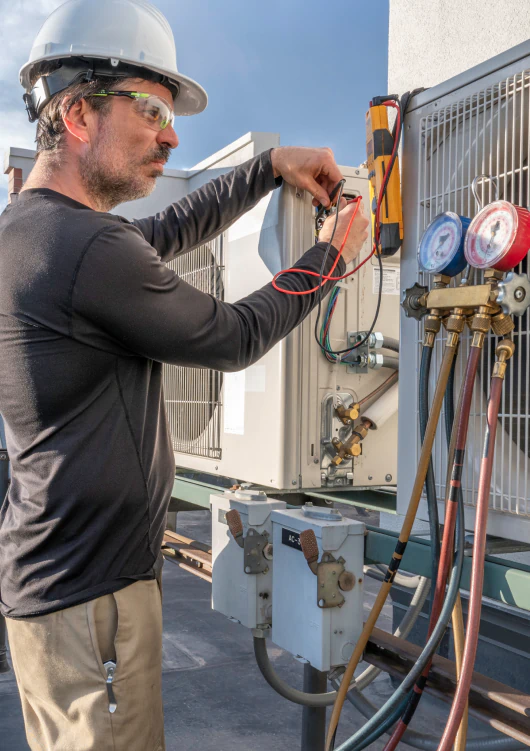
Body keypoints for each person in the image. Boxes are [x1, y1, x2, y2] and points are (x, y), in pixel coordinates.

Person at [0, 1, 369, 749]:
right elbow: (232, 337)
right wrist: (330, 252)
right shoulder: (81, 249)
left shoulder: (37, 230)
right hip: (91, 597)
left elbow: (166, 233)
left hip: (56, 584)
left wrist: (268, 169)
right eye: (150, 112)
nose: (171, 136)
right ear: (76, 113)